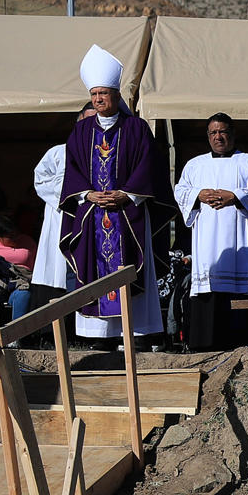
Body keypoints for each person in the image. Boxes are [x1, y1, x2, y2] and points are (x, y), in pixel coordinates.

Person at [59, 46, 166, 343]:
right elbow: (72, 170)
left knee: (130, 269)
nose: (98, 100)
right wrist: (88, 195)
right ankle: (99, 337)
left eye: (103, 94)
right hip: (93, 215)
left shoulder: (136, 128)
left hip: (128, 215)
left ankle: (136, 336)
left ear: (117, 96)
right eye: (94, 95)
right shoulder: (80, 133)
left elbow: (150, 167)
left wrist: (126, 194)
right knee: (95, 270)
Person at [174, 113, 248, 351]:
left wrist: (235, 196)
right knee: (209, 290)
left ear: (232, 133)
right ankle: (204, 346)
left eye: (223, 131)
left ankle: (244, 346)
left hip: (241, 242)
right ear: (208, 136)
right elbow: (180, 190)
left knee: (240, 293)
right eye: (213, 132)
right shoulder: (195, 165)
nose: (218, 137)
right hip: (207, 246)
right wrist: (198, 195)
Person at [30, 112, 87, 310]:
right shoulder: (58, 153)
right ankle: (50, 330)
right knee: (56, 268)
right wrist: (68, 193)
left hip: (91, 217)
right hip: (60, 216)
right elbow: (40, 180)